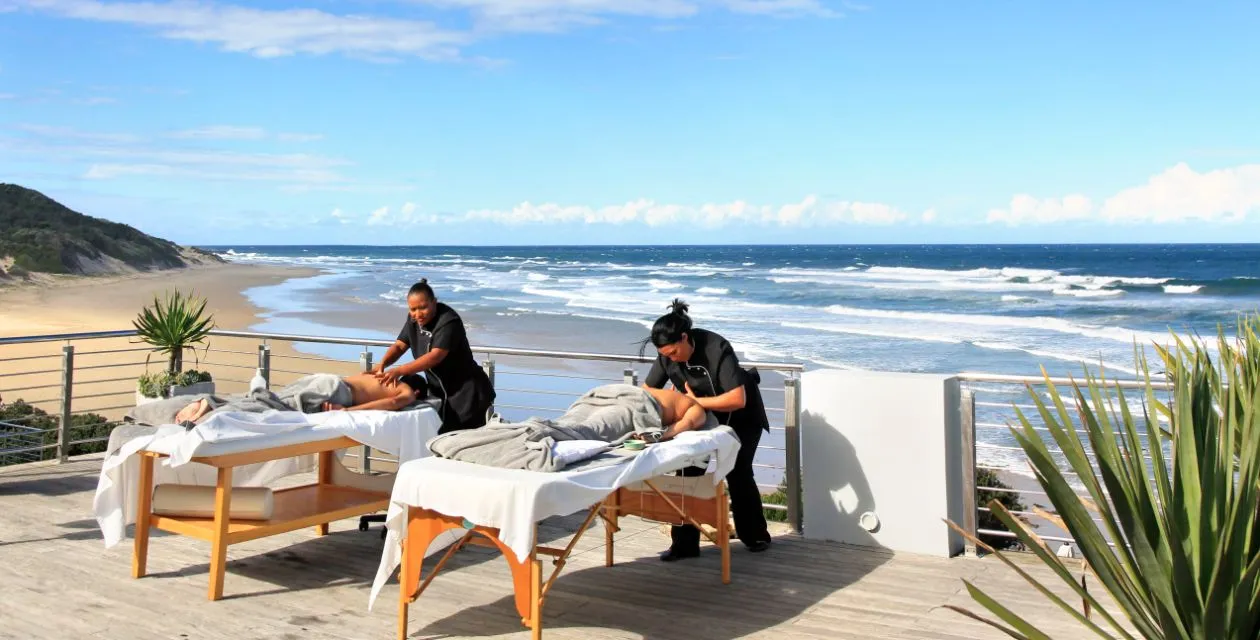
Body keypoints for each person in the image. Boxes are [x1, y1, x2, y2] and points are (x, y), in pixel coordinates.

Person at [641, 299, 772, 560]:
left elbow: (738, 398)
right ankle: (684, 545)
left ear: (685, 338)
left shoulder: (716, 347)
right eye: (665, 355)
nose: (671, 359)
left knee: (738, 473)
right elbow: (648, 392)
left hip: (742, 418)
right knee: (688, 472)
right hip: (699, 419)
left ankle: (755, 535)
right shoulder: (667, 355)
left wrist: (693, 401)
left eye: (673, 353)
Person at [373, 278, 496, 433]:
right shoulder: (413, 320)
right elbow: (399, 345)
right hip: (441, 394)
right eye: (413, 309)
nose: (418, 314)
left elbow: (436, 356)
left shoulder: (448, 320)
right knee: (439, 440)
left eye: (423, 307)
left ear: (434, 302)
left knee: (461, 445)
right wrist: (382, 365)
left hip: (468, 395)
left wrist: (400, 371)